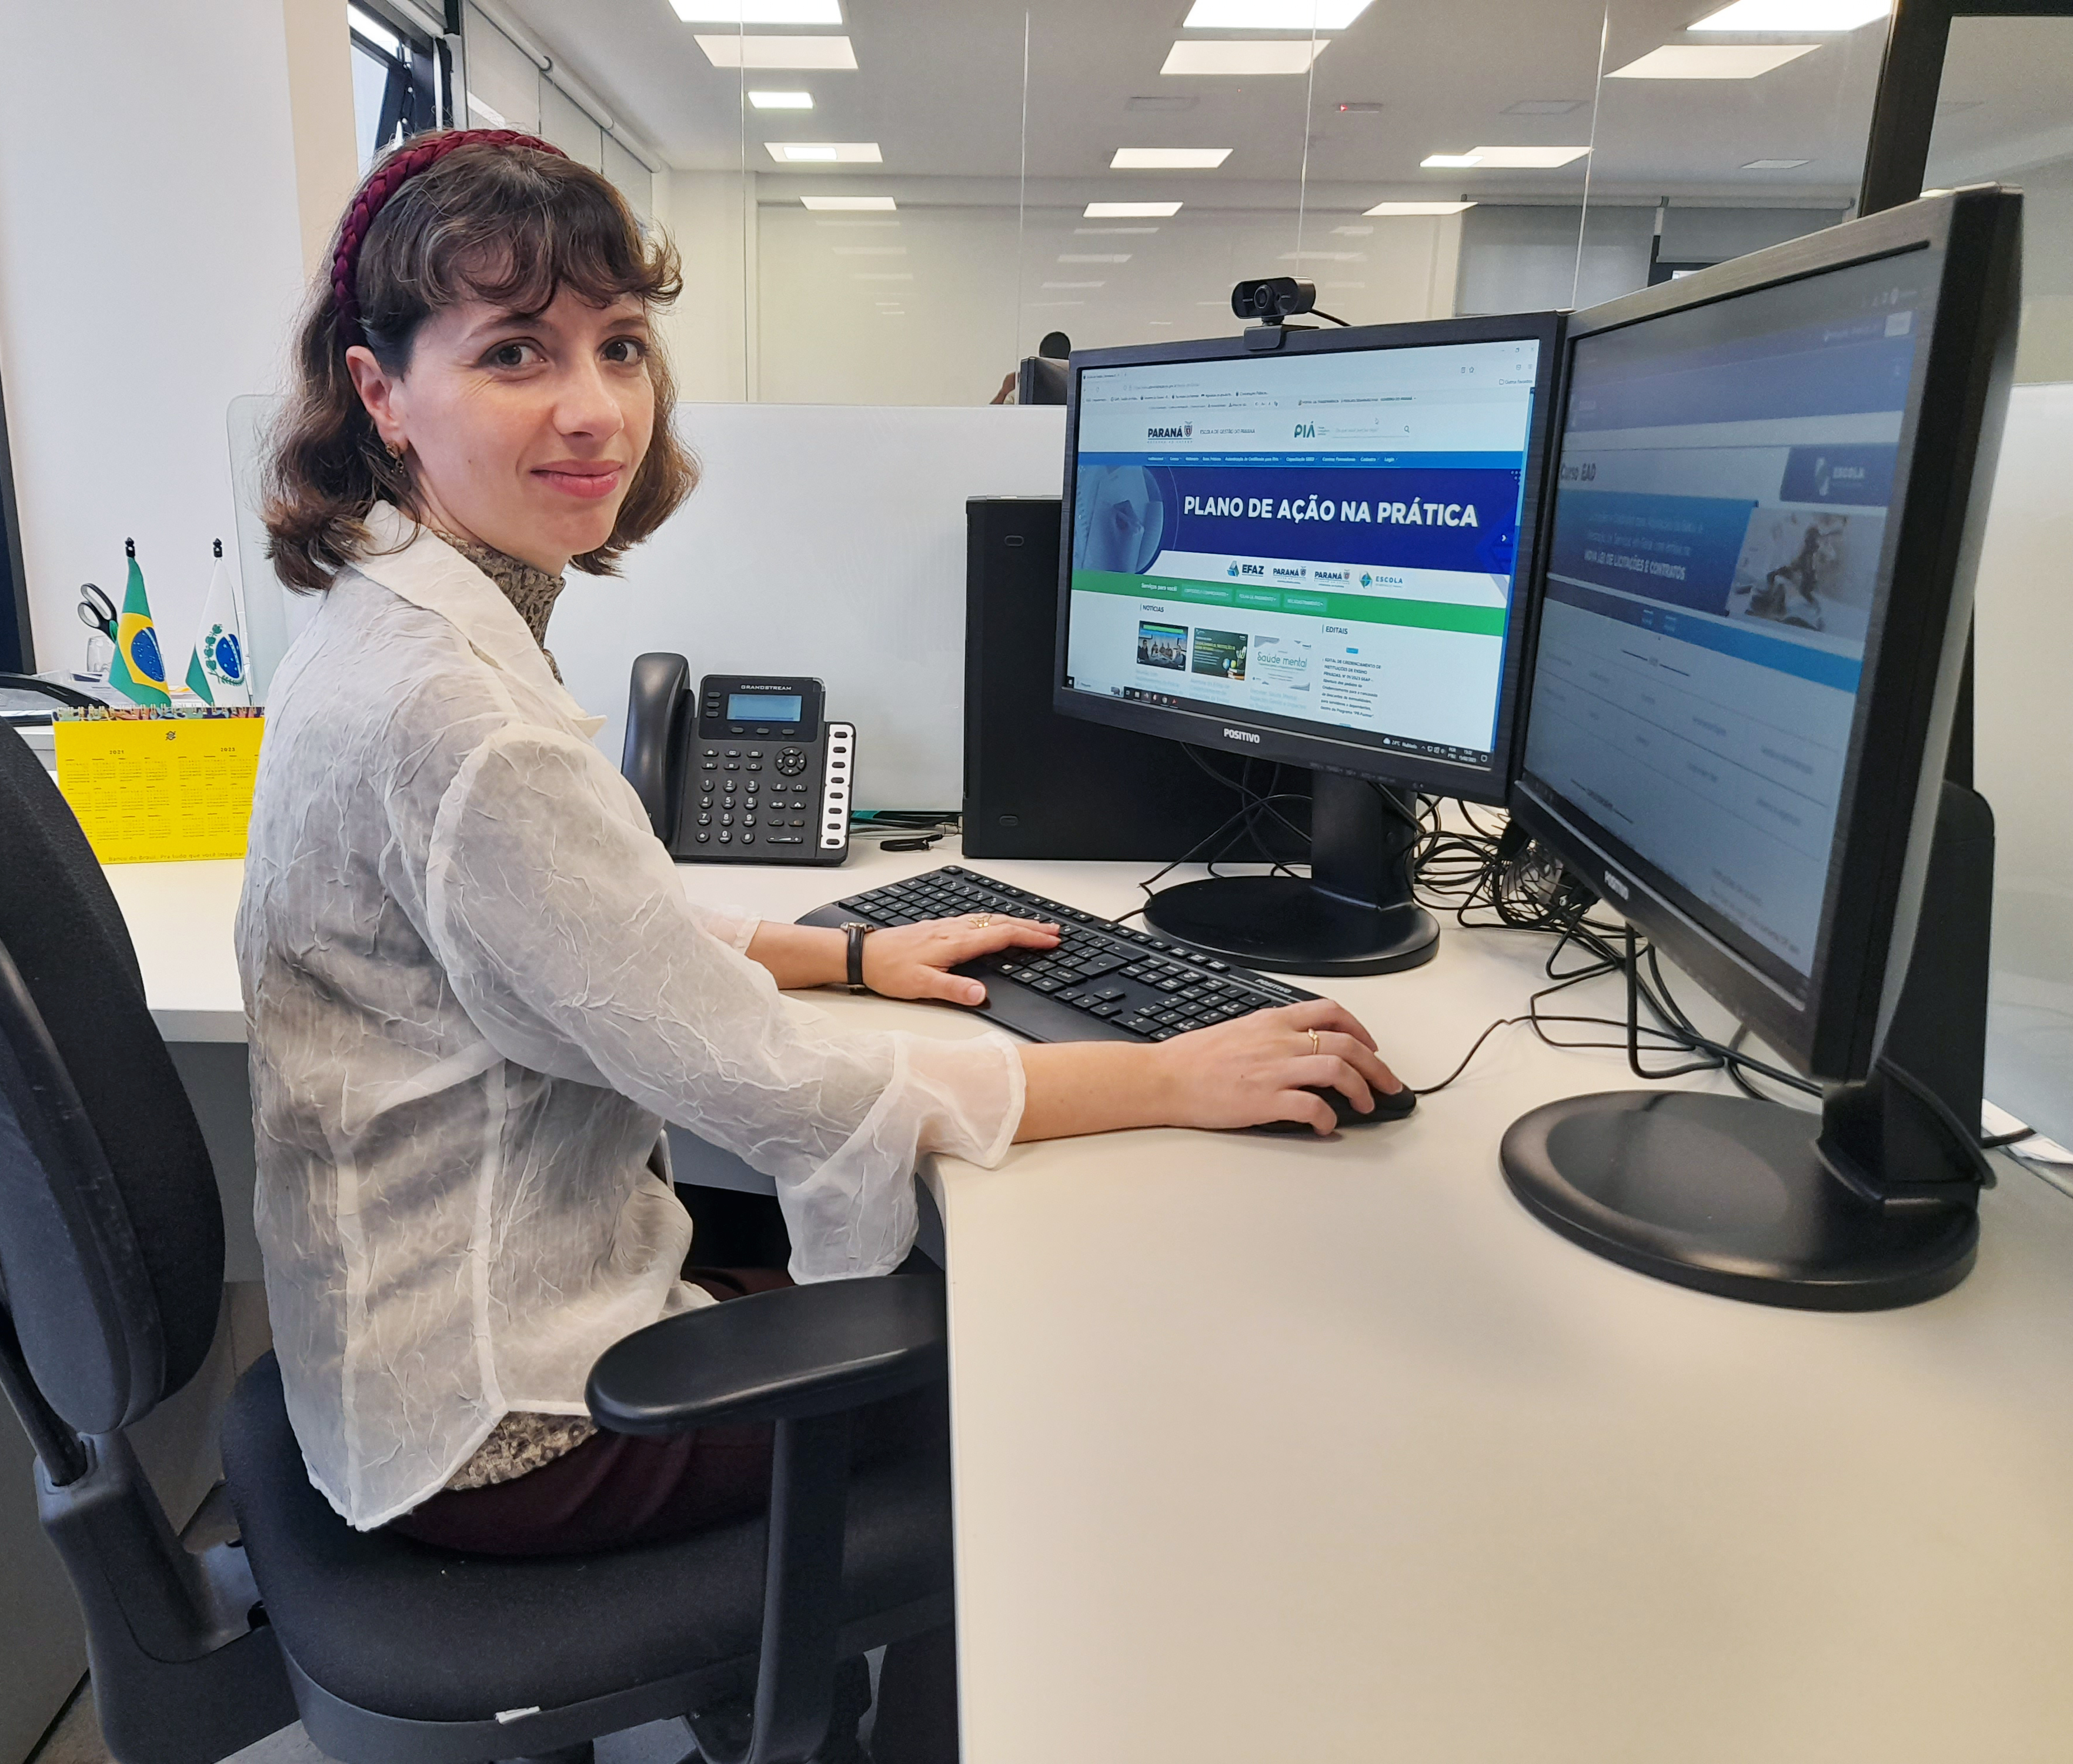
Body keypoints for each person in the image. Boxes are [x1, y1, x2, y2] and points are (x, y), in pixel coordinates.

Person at [242, 128, 1400, 1762]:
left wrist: (841, 954)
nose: (594, 409)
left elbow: (578, 930)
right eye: (516, 353)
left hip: (413, 1347)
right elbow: (785, 1096)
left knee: (918, 1284)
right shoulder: (466, 716)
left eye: (620, 347)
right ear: (381, 394)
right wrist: (1171, 1073)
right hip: (511, 1424)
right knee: (1036, 1375)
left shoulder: (387, 622)